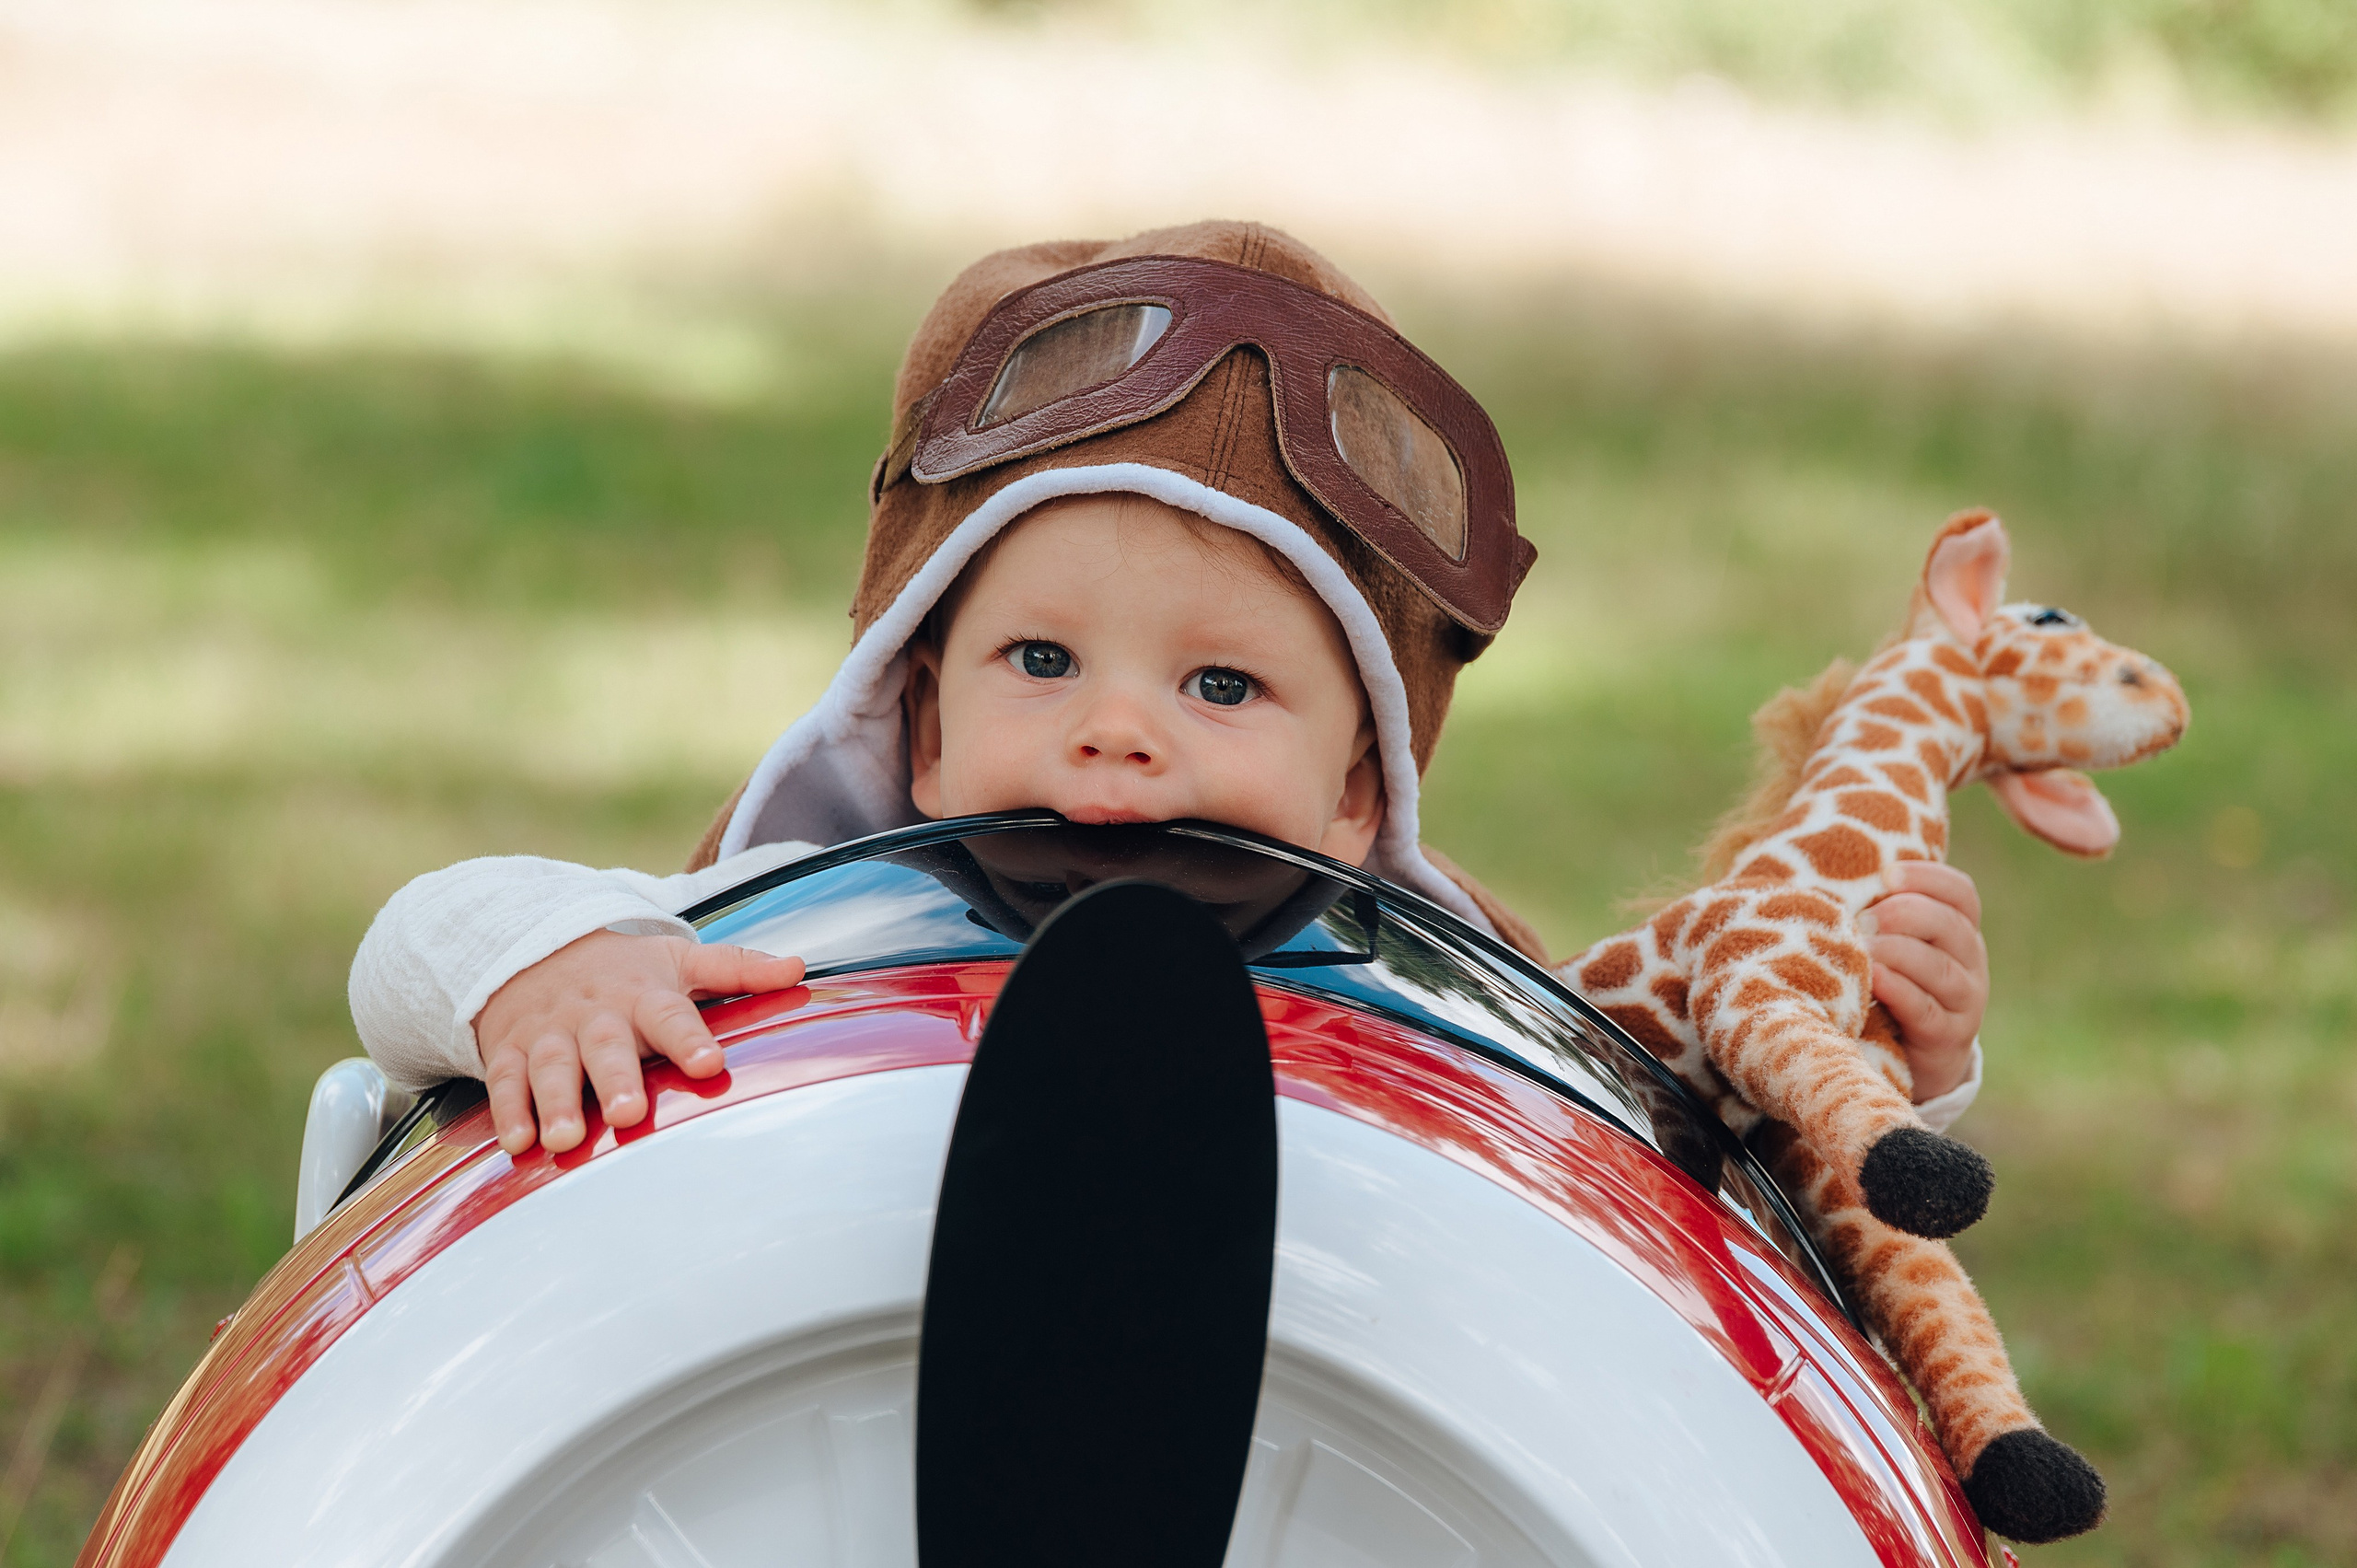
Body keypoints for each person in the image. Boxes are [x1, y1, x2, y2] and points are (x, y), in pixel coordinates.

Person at [349, 221, 1989, 1157]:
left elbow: (1687, 1187)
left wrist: (1890, 1052)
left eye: (1222, 685)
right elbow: (418, 934)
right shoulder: (779, 930)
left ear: (1365, 790)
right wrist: (534, 971)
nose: (1115, 728)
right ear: (919, 727)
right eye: (1040, 662)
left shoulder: (1442, 1000)